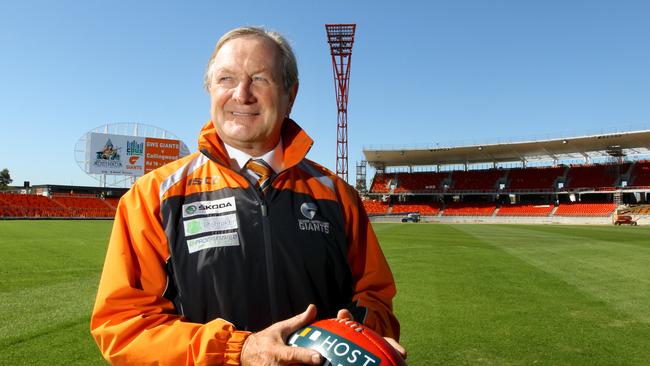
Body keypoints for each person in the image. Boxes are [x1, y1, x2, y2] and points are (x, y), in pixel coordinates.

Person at [91, 26, 405, 365]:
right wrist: (238, 350)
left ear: (290, 94)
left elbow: (375, 298)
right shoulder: (153, 196)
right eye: (226, 79)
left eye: (260, 79)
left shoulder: (337, 196)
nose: (242, 94)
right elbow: (124, 326)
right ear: (210, 90)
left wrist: (362, 334)